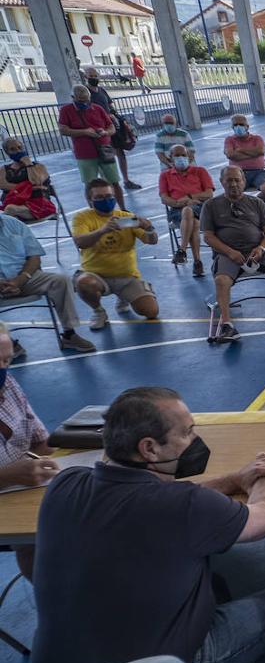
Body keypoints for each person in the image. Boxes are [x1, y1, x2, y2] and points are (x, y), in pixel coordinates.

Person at [31, 386, 265, 663]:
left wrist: (233, 480)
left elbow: (163, 502)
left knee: (215, 582)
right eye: (186, 432)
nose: (194, 440)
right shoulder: (183, 506)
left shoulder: (66, 484)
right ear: (149, 448)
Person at [202, 166, 265, 341]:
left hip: (258, 251)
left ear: (244, 182)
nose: (233, 184)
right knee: (221, 280)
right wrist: (229, 252)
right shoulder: (211, 206)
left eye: (237, 180)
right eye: (229, 180)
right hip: (228, 254)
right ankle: (227, 325)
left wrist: (261, 248)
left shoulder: (257, 203)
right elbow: (208, 237)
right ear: (221, 182)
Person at [0, 213, 95, 353]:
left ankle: (69, 334)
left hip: (25, 277)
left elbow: (34, 257)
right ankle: (7, 343)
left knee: (60, 281)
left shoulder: (14, 224)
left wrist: (20, 280)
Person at [71, 179, 160, 329]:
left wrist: (149, 228)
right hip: (96, 275)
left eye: (109, 196)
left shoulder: (126, 217)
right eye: (99, 197)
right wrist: (102, 230)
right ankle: (99, 311)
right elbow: (80, 242)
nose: (106, 200)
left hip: (127, 276)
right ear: (89, 200)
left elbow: (152, 241)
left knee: (151, 312)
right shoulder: (82, 218)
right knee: (84, 283)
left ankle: (123, 296)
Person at [0, 323, 57, 491]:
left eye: (6, 360)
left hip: (25, 490)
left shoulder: (9, 385)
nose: (2, 369)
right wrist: (4, 478)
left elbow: (43, 443)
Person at [57, 84, 124, 209]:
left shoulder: (97, 109)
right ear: (73, 98)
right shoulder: (66, 111)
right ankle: (94, 211)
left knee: (114, 181)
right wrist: (84, 132)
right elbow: (63, 130)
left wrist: (105, 132)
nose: (84, 103)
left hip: (104, 149)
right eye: (80, 101)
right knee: (90, 184)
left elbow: (111, 127)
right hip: (85, 153)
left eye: (86, 100)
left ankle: (123, 208)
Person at [158, 145, 213, 276]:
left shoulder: (200, 171)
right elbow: (164, 198)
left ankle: (182, 250)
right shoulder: (165, 176)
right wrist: (178, 202)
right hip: (177, 210)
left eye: (183, 155)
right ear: (170, 158)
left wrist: (189, 198)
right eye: (176, 156)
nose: (180, 158)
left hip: (200, 208)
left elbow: (209, 193)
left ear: (189, 157)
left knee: (188, 211)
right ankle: (197, 262)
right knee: (194, 222)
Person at [83, 67, 140, 192]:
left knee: (120, 152)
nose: (94, 78)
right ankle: (109, 184)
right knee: (108, 156)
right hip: (100, 130)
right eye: (90, 76)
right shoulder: (86, 93)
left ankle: (125, 180)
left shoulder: (102, 91)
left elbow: (110, 107)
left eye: (95, 75)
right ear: (86, 77)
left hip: (111, 126)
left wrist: (118, 118)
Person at [0, 138, 54, 223]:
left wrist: (28, 163)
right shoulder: (3, 170)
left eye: (20, 147)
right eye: (12, 149)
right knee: (10, 210)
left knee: (10, 209)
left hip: (39, 206)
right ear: (7, 152)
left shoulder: (39, 167)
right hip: (14, 206)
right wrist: (30, 187)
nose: (18, 151)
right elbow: (2, 185)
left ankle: (8, 234)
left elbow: (36, 182)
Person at [223, 115, 265, 203]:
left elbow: (261, 151)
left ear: (247, 126)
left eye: (241, 124)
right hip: (238, 174)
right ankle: (242, 209)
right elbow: (230, 155)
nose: (238, 127)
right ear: (232, 127)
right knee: (233, 193)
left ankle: (254, 205)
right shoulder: (229, 140)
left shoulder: (257, 138)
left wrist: (240, 150)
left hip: (258, 172)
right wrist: (253, 154)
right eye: (235, 125)